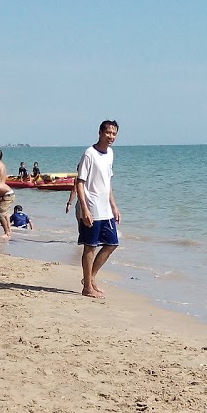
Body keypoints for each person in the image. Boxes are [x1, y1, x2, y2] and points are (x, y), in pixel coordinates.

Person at [73, 120, 120, 299]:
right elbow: (79, 182)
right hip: (91, 207)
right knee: (90, 246)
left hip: (106, 209)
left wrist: (114, 206)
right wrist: (84, 208)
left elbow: (107, 183)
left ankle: (90, 279)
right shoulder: (89, 154)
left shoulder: (110, 154)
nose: (111, 137)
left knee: (112, 243)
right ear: (100, 132)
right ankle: (87, 288)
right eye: (108, 133)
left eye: (114, 134)